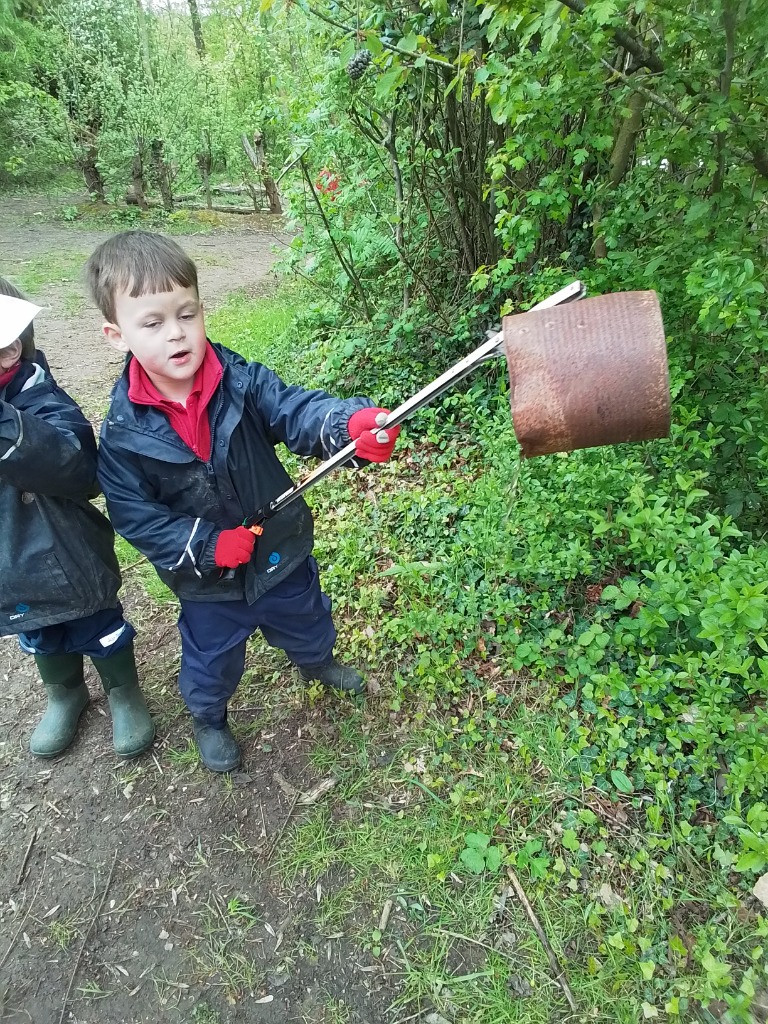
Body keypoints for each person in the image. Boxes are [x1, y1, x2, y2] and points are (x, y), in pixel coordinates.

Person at [88, 231, 400, 773]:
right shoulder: (120, 435)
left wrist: (345, 426)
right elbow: (136, 517)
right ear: (117, 335)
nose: (177, 334)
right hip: (209, 587)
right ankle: (209, 717)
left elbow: (293, 411)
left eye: (187, 314)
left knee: (306, 617)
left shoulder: (243, 382)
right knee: (211, 659)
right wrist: (206, 545)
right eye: (153, 323)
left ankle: (316, 661)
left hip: (280, 552)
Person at [0, 278, 154, 759]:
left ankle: (122, 690)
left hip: (65, 550)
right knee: (40, 631)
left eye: (10, 348)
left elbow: (79, 467)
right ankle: (64, 693)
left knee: (98, 623)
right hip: (10, 561)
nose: (6, 359)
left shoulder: (38, 396)